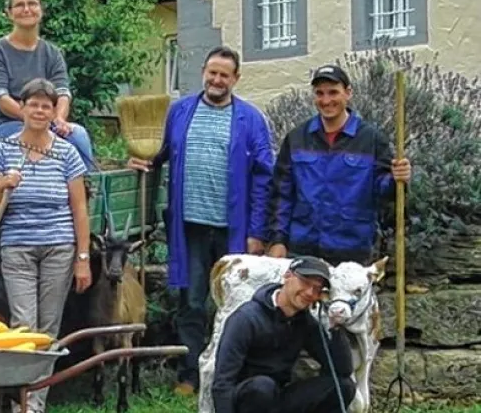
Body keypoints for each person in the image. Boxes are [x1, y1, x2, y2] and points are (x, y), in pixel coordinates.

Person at [126, 46, 275, 396]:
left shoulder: (251, 119)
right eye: (212, 72)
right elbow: (156, 154)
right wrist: (139, 160)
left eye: (224, 75)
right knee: (191, 303)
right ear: (203, 72)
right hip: (189, 227)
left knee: (237, 305)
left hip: (233, 231)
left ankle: (230, 375)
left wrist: (257, 232)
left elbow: (264, 179)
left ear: (235, 79)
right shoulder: (179, 112)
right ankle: (190, 374)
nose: (217, 80)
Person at [0, 78, 92, 413]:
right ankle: (21, 398)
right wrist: (3, 186)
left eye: (46, 106)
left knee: (49, 326)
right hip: (18, 247)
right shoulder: (2, 151)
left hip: (59, 247)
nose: (39, 111)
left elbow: (80, 209)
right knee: (24, 326)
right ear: (21, 109)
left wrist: (83, 257)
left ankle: (35, 403)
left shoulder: (66, 152)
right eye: (33, 104)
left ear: (54, 112)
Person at [266, 65, 412, 264]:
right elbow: (281, 195)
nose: (326, 101)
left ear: (348, 93)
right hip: (301, 250)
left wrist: (397, 179)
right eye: (320, 93)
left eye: (333, 92)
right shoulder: (296, 139)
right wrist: (277, 240)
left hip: (352, 251)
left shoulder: (371, 140)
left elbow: (383, 192)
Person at [210, 256, 356, 413]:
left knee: (344, 386)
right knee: (262, 387)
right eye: (305, 282)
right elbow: (222, 382)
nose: (309, 293)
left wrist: (335, 327)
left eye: (317, 289)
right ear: (287, 277)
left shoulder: (305, 322)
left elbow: (341, 370)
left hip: (279, 396)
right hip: (247, 398)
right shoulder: (245, 318)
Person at [0, 0, 95, 170]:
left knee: (78, 135)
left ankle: (85, 193)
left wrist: (58, 119)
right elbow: (0, 98)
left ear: (41, 10)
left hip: (48, 120)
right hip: (9, 124)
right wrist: (34, 119)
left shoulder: (52, 52)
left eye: (32, 3)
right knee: (28, 136)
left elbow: (63, 93)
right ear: (9, 13)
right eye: (19, 5)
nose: (26, 9)